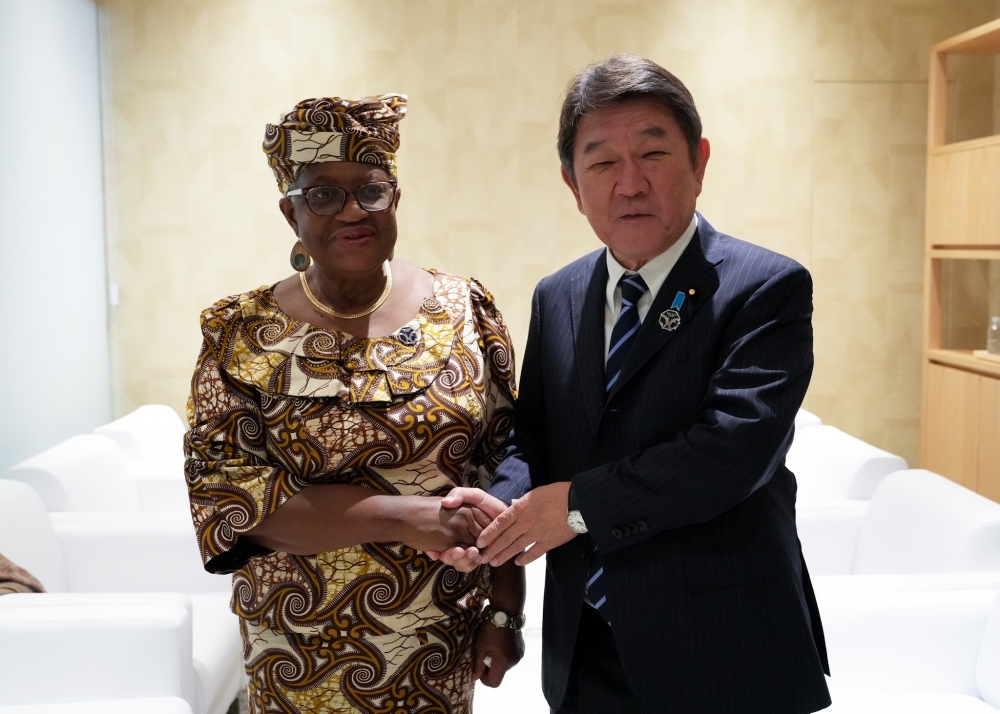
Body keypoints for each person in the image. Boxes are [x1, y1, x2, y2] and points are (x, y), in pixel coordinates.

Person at [431, 55, 832, 713]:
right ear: (572, 183)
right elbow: (538, 434)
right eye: (602, 163)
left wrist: (576, 505)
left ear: (699, 161)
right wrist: (498, 510)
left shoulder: (763, 286)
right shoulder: (558, 295)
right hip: (586, 643)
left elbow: (733, 453)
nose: (631, 183)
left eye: (653, 153)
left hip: (724, 649)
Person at [184, 94, 525, 714]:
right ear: (290, 214)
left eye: (369, 190)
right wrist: (402, 516)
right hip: (294, 648)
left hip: (435, 641)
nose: (350, 211)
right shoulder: (238, 333)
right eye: (322, 194)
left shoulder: (465, 310)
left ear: (395, 198)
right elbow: (229, 502)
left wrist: (507, 607)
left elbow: (507, 465)